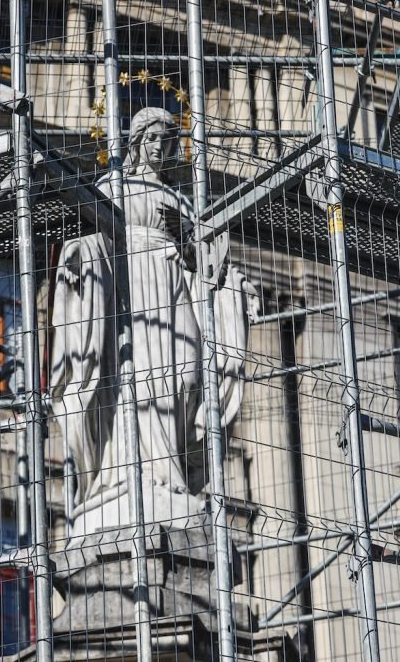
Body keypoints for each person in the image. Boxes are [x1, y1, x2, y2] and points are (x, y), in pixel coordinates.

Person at [50, 107, 255, 519]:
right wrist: (76, 257)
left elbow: (206, 261)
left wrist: (231, 285)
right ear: (138, 142)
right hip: (130, 287)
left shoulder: (180, 198)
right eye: (153, 138)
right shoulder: (114, 184)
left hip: (172, 282)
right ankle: (140, 472)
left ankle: (173, 464)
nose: (161, 147)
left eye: (168, 139)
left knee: (188, 370)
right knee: (138, 378)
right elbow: (94, 240)